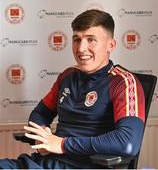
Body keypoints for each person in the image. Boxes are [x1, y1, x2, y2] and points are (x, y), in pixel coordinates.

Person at [0, 9, 145, 169]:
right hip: (46, 162)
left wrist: (62, 144)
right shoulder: (67, 76)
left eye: (91, 40)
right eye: (77, 39)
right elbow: (41, 112)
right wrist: (42, 135)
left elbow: (127, 143)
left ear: (111, 45)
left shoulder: (123, 82)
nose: (81, 48)